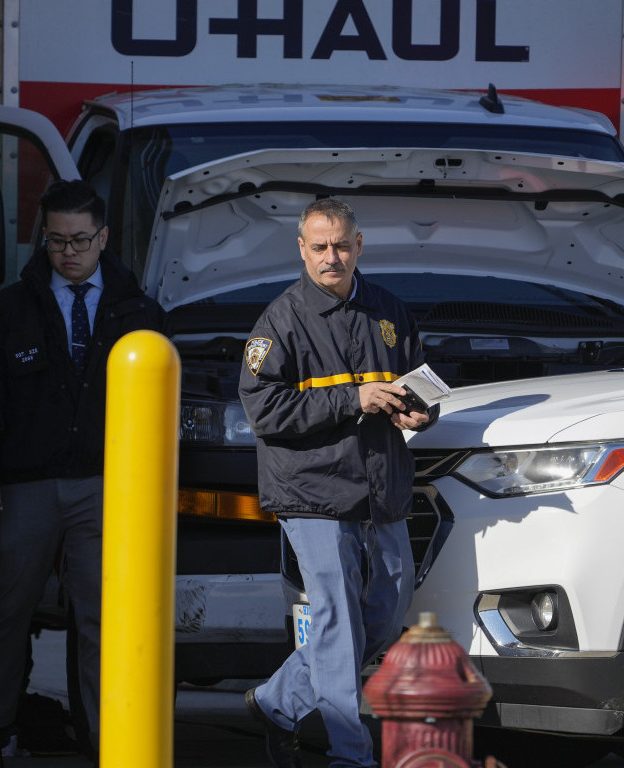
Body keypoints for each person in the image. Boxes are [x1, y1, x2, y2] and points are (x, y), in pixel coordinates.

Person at [0, 179, 167, 768]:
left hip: (107, 488)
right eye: (54, 241)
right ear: (41, 239)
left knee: (103, 618)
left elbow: (159, 405)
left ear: (103, 237)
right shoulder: (9, 309)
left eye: (79, 240)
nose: (68, 252)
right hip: (24, 487)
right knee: (7, 611)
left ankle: (108, 740)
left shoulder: (138, 309)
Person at [237, 198, 438, 768]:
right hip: (312, 492)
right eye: (319, 246)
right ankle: (352, 755)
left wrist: (422, 413)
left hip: (382, 488)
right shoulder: (278, 322)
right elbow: (264, 411)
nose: (332, 257)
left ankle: (278, 700)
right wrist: (354, 400)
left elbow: (421, 384)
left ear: (359, 245)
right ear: (301, 248)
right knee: (335, 621)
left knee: (384, 613)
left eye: (341, 245)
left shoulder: (391, 311)